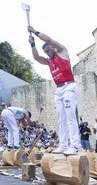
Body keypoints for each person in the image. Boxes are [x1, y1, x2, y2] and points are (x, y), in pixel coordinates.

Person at [27, 26, 79, 155]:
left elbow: (49, 39)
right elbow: (36, 58)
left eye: (49, 49)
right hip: (59, 90)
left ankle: (74, 146)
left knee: (70, 116)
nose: (47, 53)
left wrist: (35, 32)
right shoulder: (49, 61)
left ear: (53, 47)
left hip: (69, 87)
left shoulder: (62, 51)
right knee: (60, 118)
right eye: (46, 52)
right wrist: (32, 44)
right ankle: (63, 145)